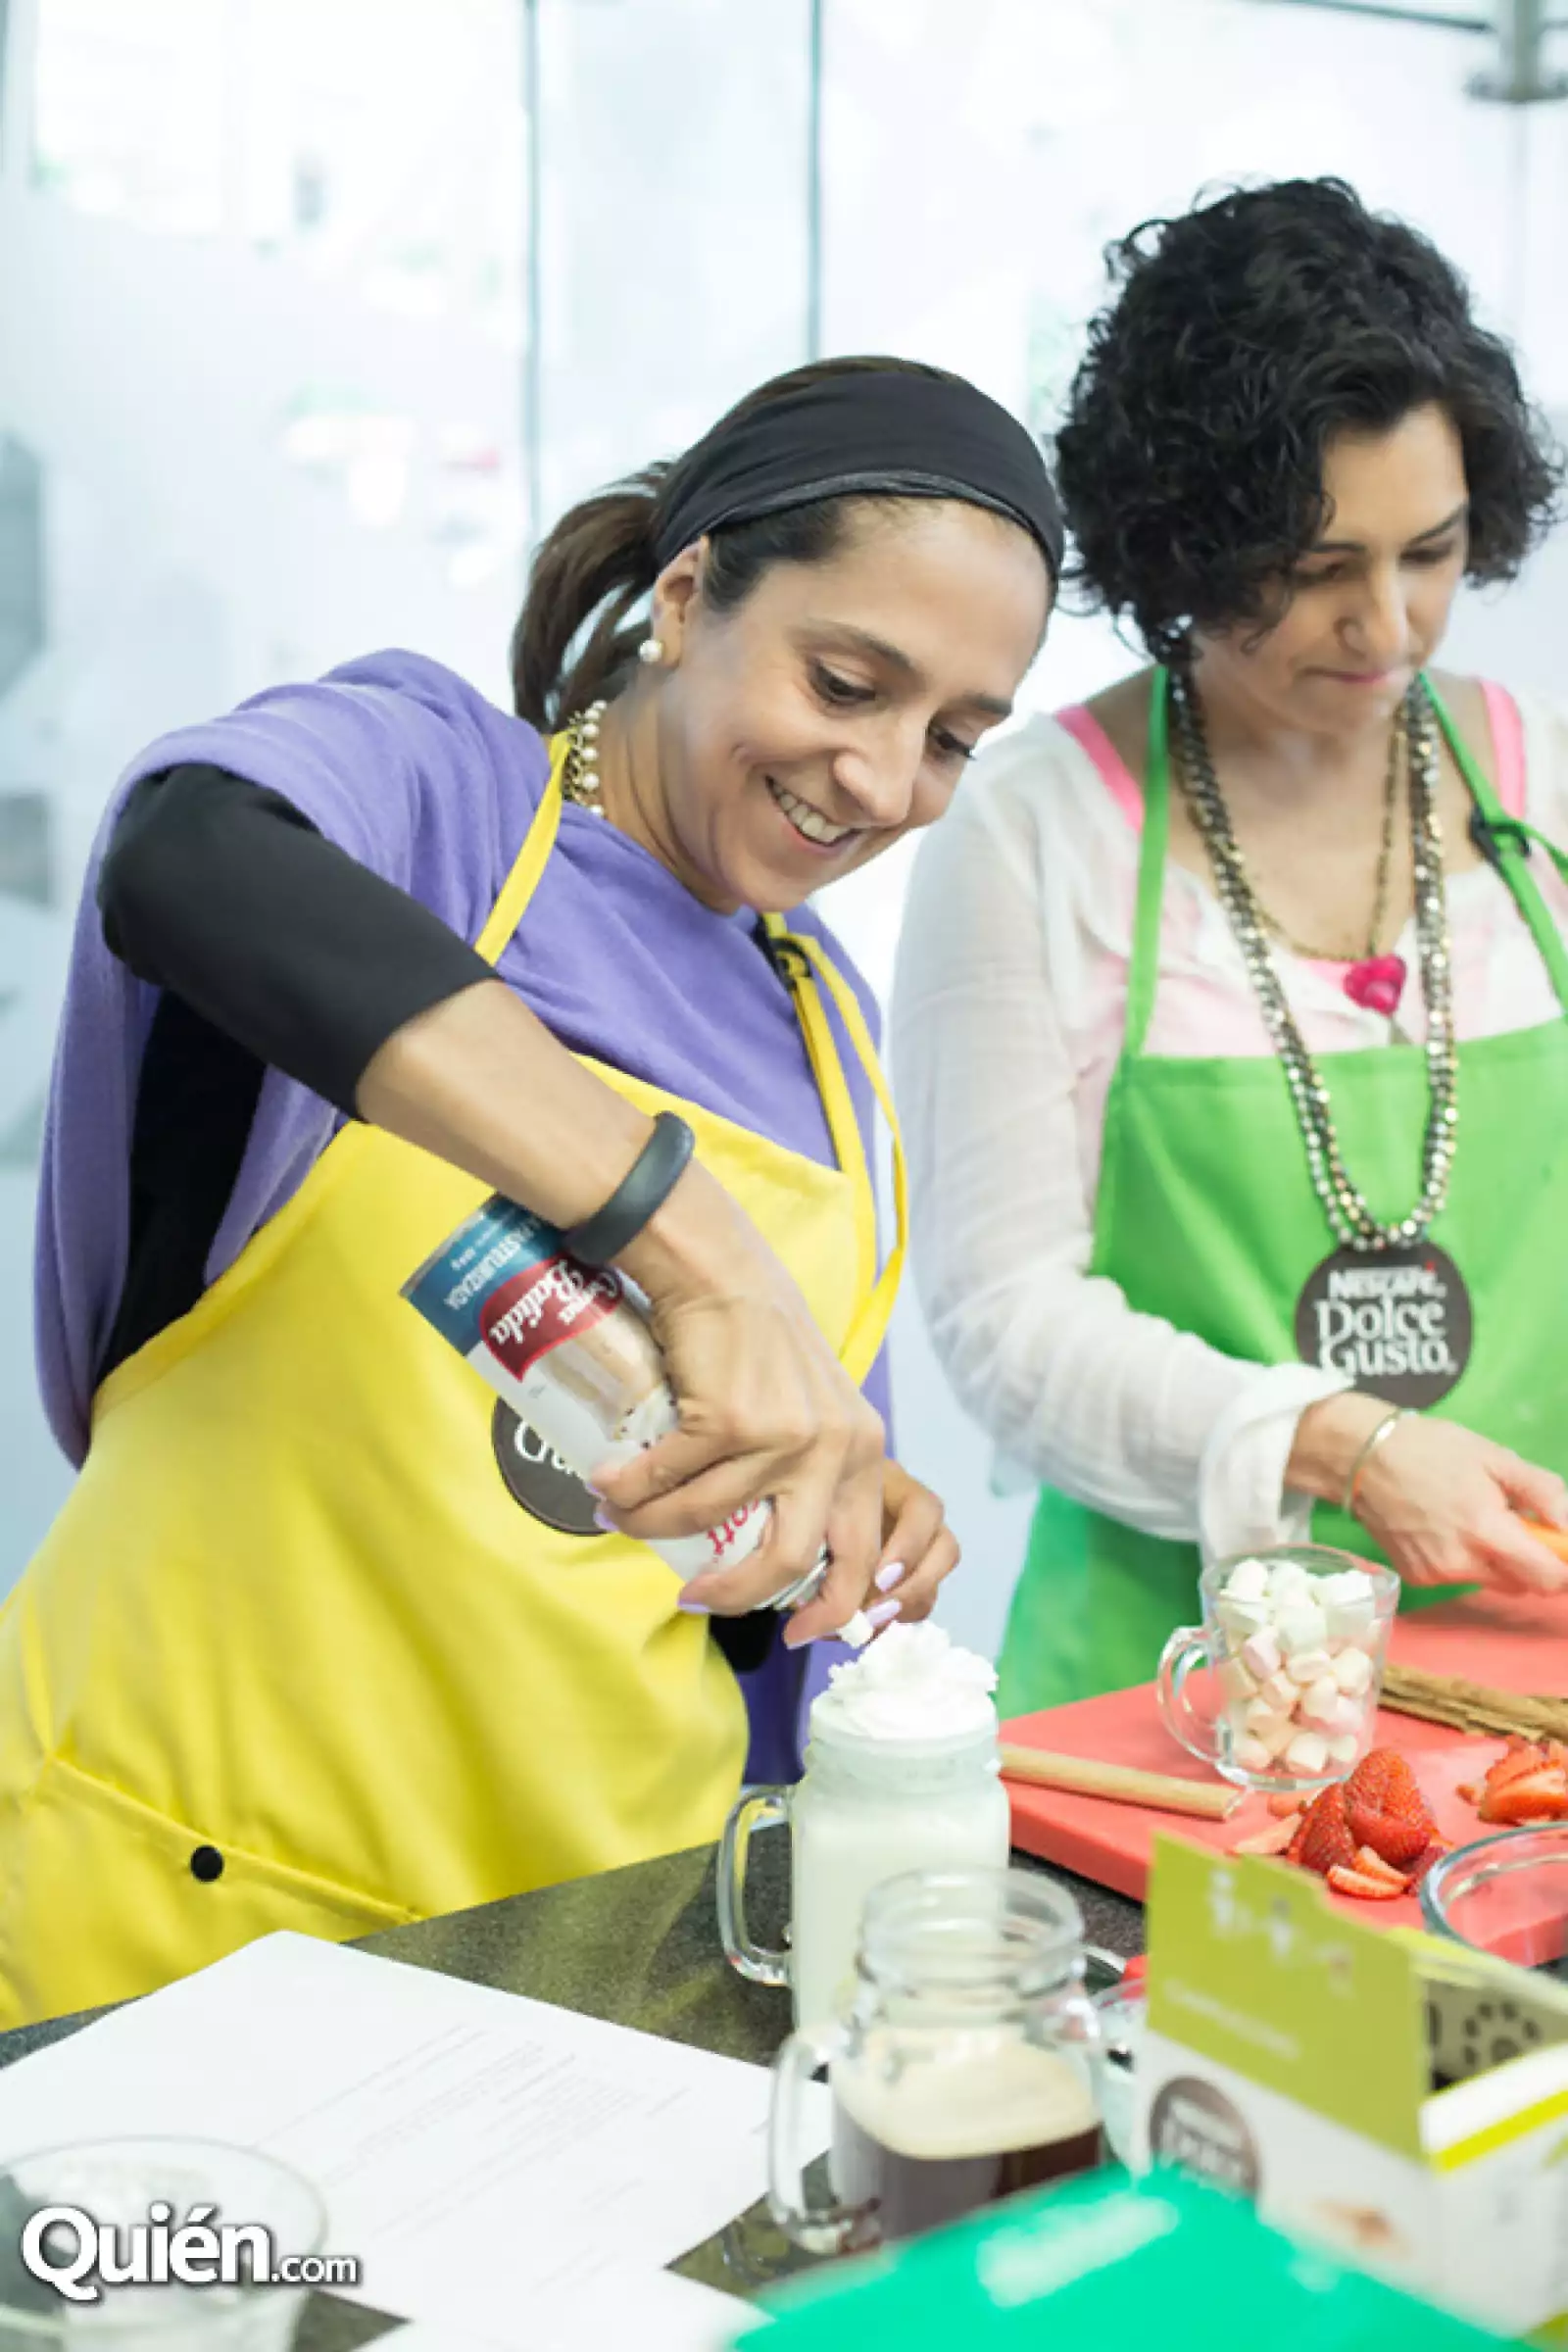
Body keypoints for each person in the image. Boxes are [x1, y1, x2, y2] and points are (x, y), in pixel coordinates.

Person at [0, 357, 1059, 2025]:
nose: (881, 781)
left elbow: (757, 1506)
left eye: (949, 740)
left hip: (607, 1959)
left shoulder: (831, 1032)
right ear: (689, 594)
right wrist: (690, 1249)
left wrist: (851, 1530)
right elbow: (187, 864)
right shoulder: (434, 798)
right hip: (184, 1902)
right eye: (847, 681)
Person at [892, 179, 1568, 1716]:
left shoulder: (1548, 792)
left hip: (1541, 1681)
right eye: (1316, 572)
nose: (1389, 629)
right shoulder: (1033, 836)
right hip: (1176, 1704)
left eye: (1435, 554)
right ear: (1182, 547)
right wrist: (1343, 1443)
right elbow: (1002, 1326)